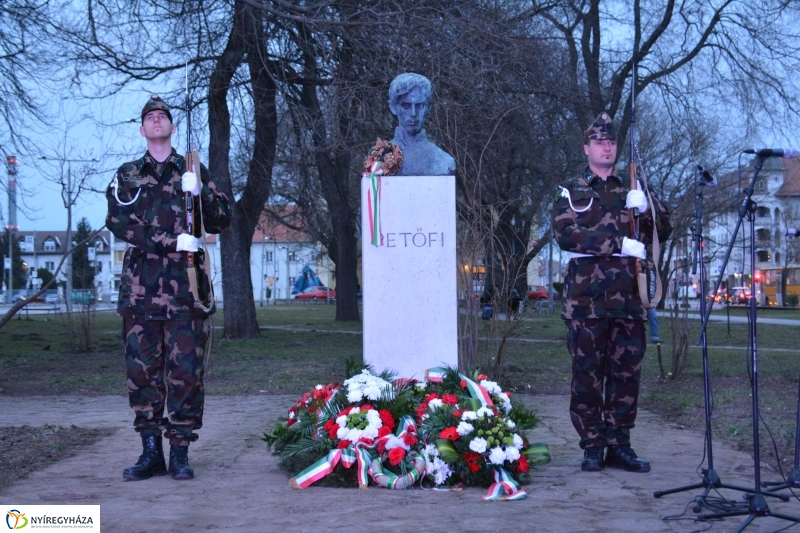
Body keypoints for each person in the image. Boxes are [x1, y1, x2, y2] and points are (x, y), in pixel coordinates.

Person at [106, 95, 232, 481]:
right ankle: (150, 453)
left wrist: (201, 191)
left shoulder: (192, 169)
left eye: (162, 116)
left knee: (186, 374)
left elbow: (222, 219)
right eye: (150, 117)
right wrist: (169, 241)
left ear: (172, 127)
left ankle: (179, 453)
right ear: (142, 129)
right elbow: (119, 221)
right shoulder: (127, 174)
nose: (157, 120)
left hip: (185, 291)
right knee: (142, 375)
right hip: (140, 293)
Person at [551, 112, 672, 473]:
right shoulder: (571, 189)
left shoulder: (633, 187)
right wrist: (618, 244)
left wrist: (647, 207)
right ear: (586, 148)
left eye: (611, 142)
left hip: (629, 298)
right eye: (599, 142)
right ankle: (592, 445)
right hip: (585, 300)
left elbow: (664, 229)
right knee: (586, 375)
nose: (606, 147)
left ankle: (620, 444)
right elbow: (565, 234)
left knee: (625, 377)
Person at [388, 73, 455, 176]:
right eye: (406, 106)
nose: (413, 113)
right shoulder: (379, 159)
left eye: (420, 106)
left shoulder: (444, 161)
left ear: (428, 108)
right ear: (393, 107)